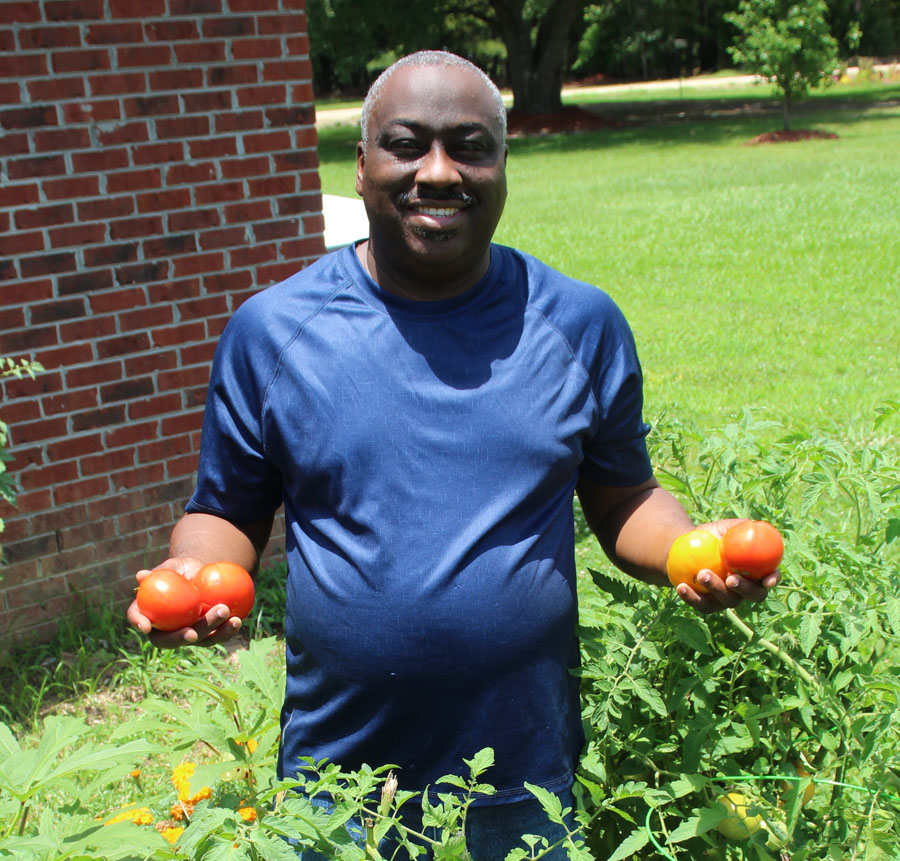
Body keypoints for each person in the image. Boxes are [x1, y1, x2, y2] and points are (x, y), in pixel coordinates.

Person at [127, 51, 778, 858]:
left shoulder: (579, 323)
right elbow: (226, 509)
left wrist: (691, 551)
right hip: (339, 784)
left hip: (522, 775)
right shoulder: (275, 333)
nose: (439, 172)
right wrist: (192, 577)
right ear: (361, 167)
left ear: (504, 167)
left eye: (470, 146)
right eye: (407, 144)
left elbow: (623, 497)